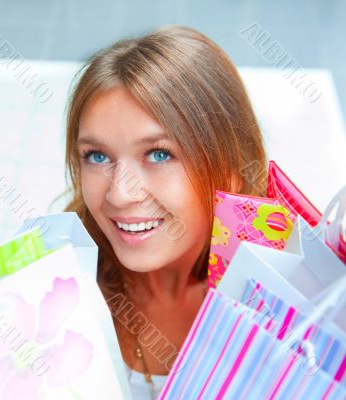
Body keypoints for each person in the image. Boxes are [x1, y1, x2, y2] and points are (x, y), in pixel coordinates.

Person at [64, 25, 267, 399]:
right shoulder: (55, 286)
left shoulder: (283, 301)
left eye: (159, 154)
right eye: (97, 156)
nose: (120, 194)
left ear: (231, 171)